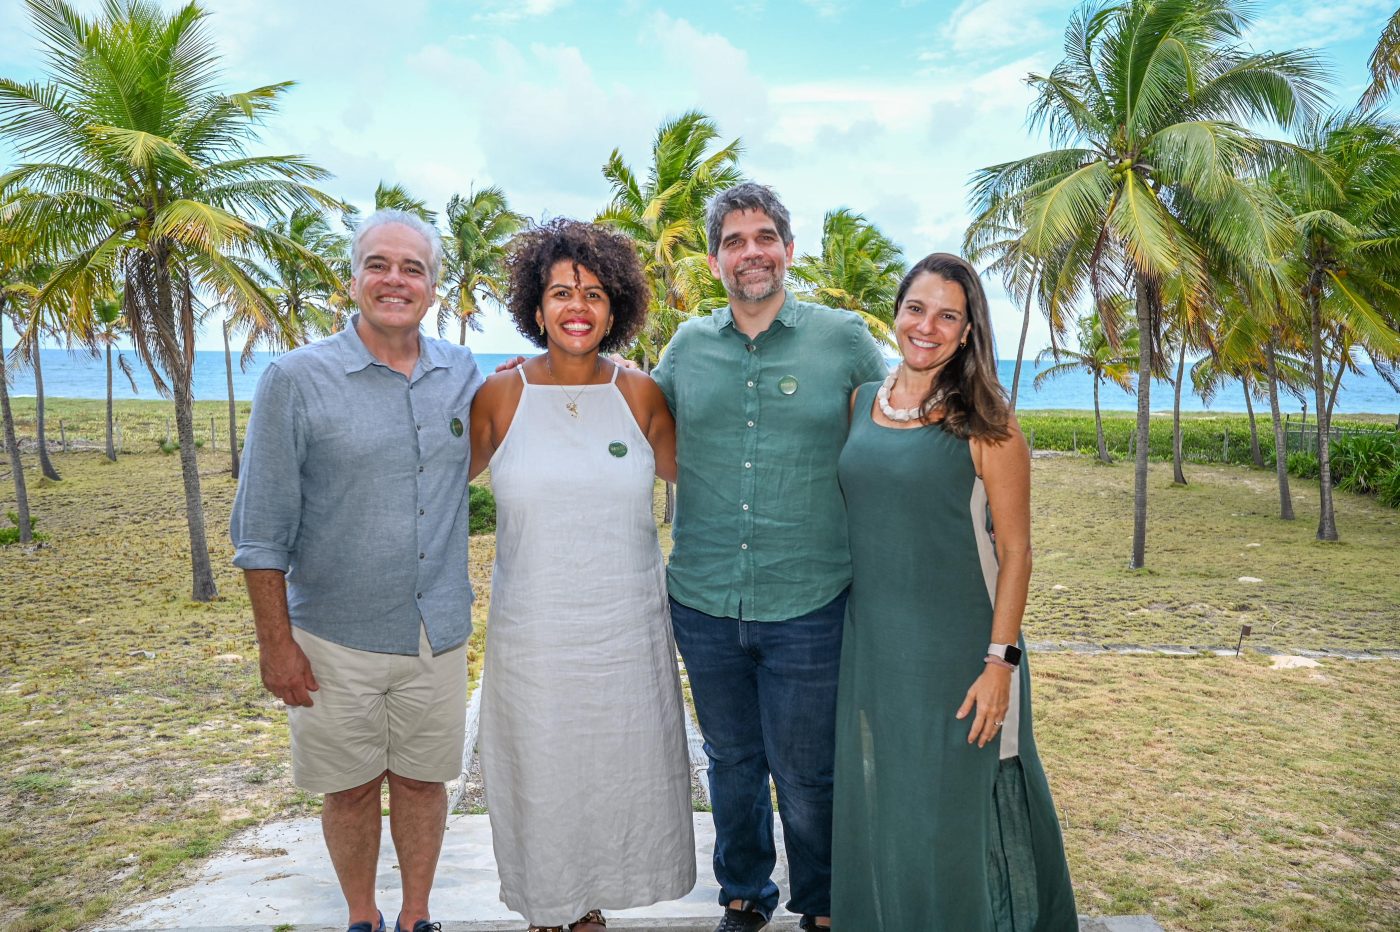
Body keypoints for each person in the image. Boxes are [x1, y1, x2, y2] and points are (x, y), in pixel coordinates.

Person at [230, 209, 482, 932]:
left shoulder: (462, 372)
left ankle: (416, 916)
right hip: (333, 639)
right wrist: (275, 645)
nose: (395, 280)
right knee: (346, 790)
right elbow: (261, 530)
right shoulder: (295, 379)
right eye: (379, 264)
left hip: (437, 632)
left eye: (413, 268)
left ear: (434, 287)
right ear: (354, 278)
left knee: (423, 782)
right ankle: (363, 918)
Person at [653, 183, 889, 932]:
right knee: (730, 763)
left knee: (809, 775)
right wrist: (525, 383)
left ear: (788, 250)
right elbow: (634, 418)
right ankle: (745, 893)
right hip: (704, 597)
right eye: (733, 240)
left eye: (763, 237)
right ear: (716, 258)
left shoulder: (845, 339)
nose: (749, 252)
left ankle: (820, 903)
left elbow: (893, 433)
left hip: (811, 598)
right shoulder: (687, 345)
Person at [831, 253, 1077, 930]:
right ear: (896, 312)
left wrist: (1000, 663)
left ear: (968, 332)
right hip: (872, 647)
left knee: (953, 817)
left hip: (960, 655)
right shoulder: (860, 404)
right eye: (917, 308)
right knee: (883, 801)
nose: (927, 326)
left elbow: (1018, 552)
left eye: (948, 316)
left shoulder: (988, 427)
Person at [469, 218, 695, 932]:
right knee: (542, 773)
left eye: (594, 293)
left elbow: (713, 485)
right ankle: (548, 908)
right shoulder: (500, 396)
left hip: (623, 629)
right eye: (561, 292)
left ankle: (589, 905)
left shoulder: (642, 395)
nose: (577, 306)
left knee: (611, 772)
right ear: (535, 309)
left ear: (615, 308)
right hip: (533, 632)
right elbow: (428, 482)